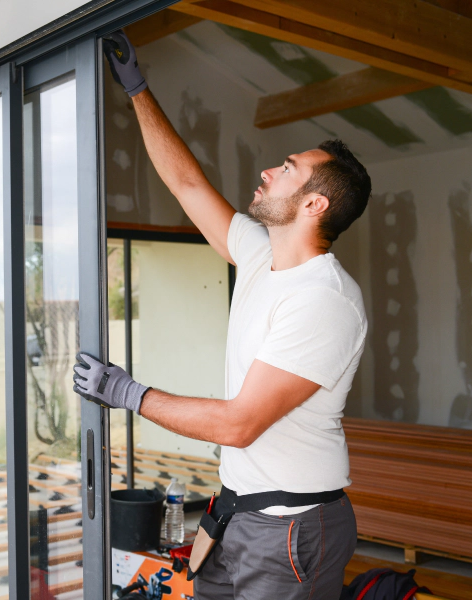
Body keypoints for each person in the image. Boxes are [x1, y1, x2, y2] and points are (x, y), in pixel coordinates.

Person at [72, 32, 372, 599]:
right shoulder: (261, 253)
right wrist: (137, 90)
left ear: (315, 204)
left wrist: (128, 394)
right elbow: (186, 184)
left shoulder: (324, 299)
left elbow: (240, 423)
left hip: (290, 531)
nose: (268, 171)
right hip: (236, 513)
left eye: (287, 168)